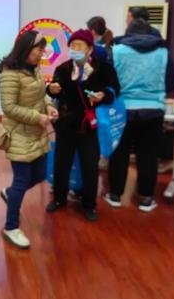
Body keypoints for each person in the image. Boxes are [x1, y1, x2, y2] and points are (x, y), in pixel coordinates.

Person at [46, 29, 120, 221]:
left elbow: (114, 90)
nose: (75, 49)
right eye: (72, 45)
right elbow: (54, 91)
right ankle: (59, 199)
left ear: (90, 49)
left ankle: (89, 204)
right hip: (66, 124)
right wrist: (52, 89)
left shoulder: (103, 69)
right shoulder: (63, 69)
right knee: (61, 163)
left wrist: (103, 95)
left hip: (90, 126)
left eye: (79, 46)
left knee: (89, 166)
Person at [104, 19, 174, 212]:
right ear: (150, 33)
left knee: (119, 153)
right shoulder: (163, 52)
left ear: (128, 33)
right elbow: (171, 82)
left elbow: (107, 81)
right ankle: (146, 199)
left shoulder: (116, 51)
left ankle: (115, 196)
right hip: (152, 111)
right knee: (148, 155)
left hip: (122, 110)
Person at [0, 31, 58, 249]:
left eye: (43, 49)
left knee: (41, 174)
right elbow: (9, 107)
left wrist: (49, 106)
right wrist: (37, 117)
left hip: (37, 132)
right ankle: (11, 227)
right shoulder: (10, 74)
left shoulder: (35, 69)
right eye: (39, 49)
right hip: (19, 134)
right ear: (26, 49)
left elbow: (42, 94)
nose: (42, 53)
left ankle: (10, 193)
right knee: (21, 181)